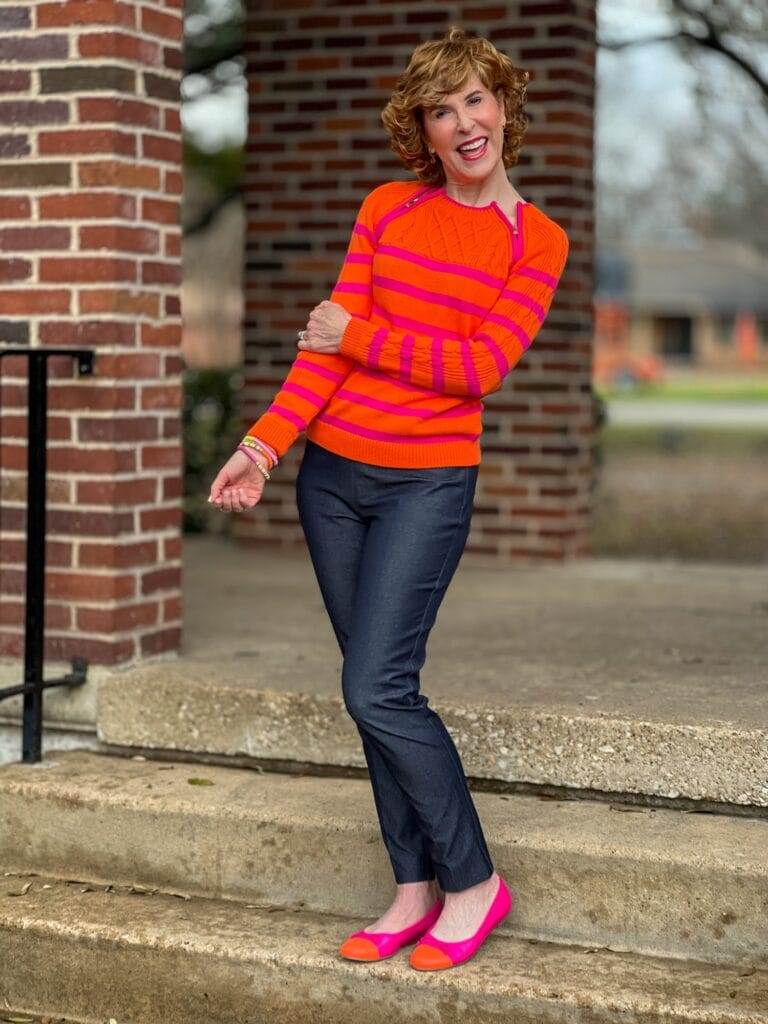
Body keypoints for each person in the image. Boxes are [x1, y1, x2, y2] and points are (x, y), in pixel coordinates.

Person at [209, 24, 569, 971]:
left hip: (427, 486)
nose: (462, 123)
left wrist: (357, 333)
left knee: (375, 684)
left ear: (504, 105)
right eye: (441, 109)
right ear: (424, 128)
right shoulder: (387, 208)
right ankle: (412, 887)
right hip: (331, 479)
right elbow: (320, 357)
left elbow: (478, 369)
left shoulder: (537, 241)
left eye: (475, 100)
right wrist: (261, 446)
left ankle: (475, 882)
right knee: (375, 693)